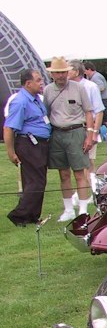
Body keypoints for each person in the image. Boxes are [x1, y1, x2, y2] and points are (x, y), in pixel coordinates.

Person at [43, 56, 98, 221]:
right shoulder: (47, 90)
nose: (60, 76)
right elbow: (45, 112)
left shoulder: (79, 88)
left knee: (80, 173)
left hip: (76, 132)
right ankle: (68, 209)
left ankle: (82, 210)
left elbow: (89, 112)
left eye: (63, 72)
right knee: (63, 174)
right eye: (57, 73)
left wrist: (90, 135)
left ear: (68, 72)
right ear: (52, 74)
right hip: (57, 133)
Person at [3, 68, 51, 227]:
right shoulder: (20, 101)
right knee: (36, 181)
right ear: (28, 83)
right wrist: (11, 152)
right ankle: (18, 214)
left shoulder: (36, 98)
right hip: (29, 144)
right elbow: (8, 128)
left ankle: (31, 216)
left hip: (40, 144)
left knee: (38, 181)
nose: (41, 83)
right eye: (38, 80)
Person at [69, 59, 105, 186]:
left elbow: (99, 111)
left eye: (68, 69)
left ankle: (92, 187)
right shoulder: (67, 87)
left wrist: (95, 133)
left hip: (88, 127)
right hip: (73, 129)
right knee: (77, 161)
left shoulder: (91, 87)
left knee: (88, 160)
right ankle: (84, 189)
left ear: (76, 71)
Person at [83, 61, 107, 136]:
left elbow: (101, 87)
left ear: (89, 69)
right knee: (101, 121)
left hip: (104, 101)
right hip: (103, 101)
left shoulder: (96, 77)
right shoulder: (93, 77)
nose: (84, 72)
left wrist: (92, 92)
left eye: (85, 70)